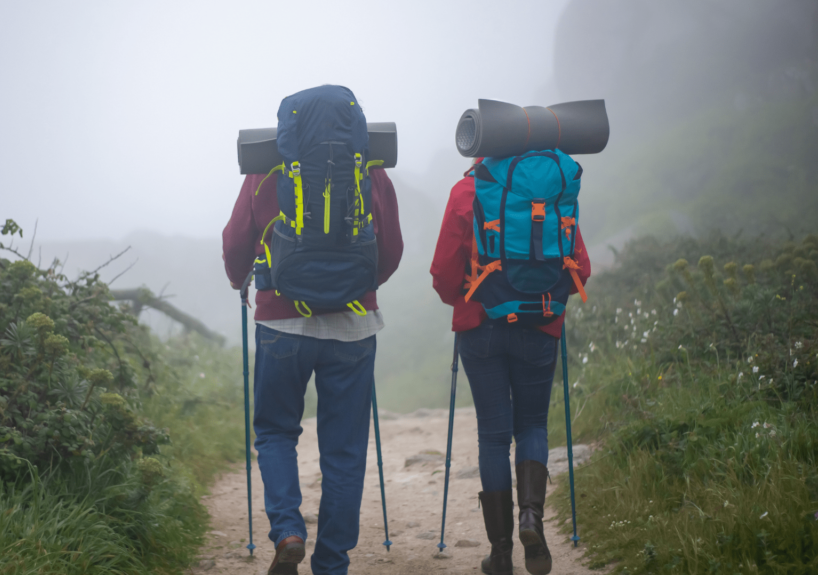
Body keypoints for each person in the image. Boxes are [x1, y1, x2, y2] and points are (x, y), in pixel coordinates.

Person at [222, 146, 403, 573]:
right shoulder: (370, 170)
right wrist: (356, 287)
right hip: (354, 326)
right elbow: (391, 250)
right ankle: (333, 562)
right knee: (345, 449)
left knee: (275, 432)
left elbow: (235, 242)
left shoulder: (267, 168)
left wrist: (239, 280)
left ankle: (288, 531)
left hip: (280, 323)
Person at [429, 158, 591, 575]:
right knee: (533, 425)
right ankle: (531, 520)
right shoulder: (553, 189)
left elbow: (444, 273)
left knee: (494, 437)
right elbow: (581, 268)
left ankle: (500, 553)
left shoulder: (468, 191)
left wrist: (464, 298)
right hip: (540, 322)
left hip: (480, 326)